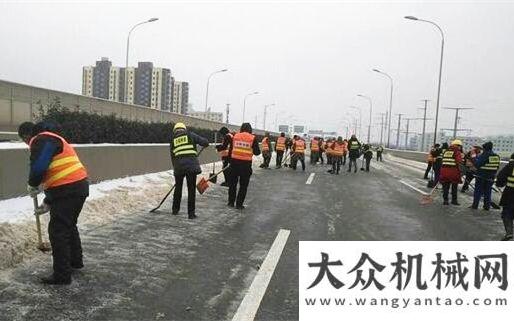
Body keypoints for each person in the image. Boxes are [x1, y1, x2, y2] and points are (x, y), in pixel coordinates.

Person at [18, 121, 89, 285]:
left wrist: (33, 183)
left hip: (68, 189)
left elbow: (39, 166)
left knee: (58, 231)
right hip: (78, 187)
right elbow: (59, 171)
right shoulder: (53, 138)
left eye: (24, 140)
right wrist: (48, 201)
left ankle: (62, 275)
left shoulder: (40, 140)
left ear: (26, 135)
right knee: (68, 226)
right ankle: (74, 262)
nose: (27, 144)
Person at [170, 122, 209, 219]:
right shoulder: (190, 135)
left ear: (175, 130)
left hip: (179, 167)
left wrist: (176, 169)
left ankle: (175, 210)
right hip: (191, 167)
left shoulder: (173, 140)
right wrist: (205, 143)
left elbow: (173, 156)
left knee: (178, 188)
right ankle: (191, 214)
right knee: (191, 189)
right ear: (184, 129)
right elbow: (205, 142)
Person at [228, 123, 261, 209]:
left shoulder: (235, 136)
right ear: (250, 129)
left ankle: (231, 202)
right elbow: (257, 152)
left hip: (234, 163)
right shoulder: (252, 138)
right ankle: (239, 204)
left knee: (232, 184)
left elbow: (231, 150)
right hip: (245, 165)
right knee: (243, 186)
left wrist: (229, 161)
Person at [471, 141, 501, 210]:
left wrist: (473, 156)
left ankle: (475, 206)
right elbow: (496, 167)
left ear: (485, 148)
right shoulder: (496, 156)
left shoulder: (485, 155)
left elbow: (477, 164)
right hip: (491, 177)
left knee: (478, 191)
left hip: (481, 176)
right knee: (488, 191)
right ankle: (487, 206)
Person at [495, 153, 514, 241]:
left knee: (507, 213)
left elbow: (501, 177)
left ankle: (509, 232)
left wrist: (499, 184)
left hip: (510, 194)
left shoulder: (511, 166)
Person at [439, 140, 463, 206]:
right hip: (453, 172)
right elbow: (459, 162)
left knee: (445, 187)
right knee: (454, 187)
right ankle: (454, 200)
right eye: (459, 146)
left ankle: (445, 200)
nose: (460, 147)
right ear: (457, 145)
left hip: (444, 171)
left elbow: (442, 161)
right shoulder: (456, 152)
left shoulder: (446, 151)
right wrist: (461, 171)